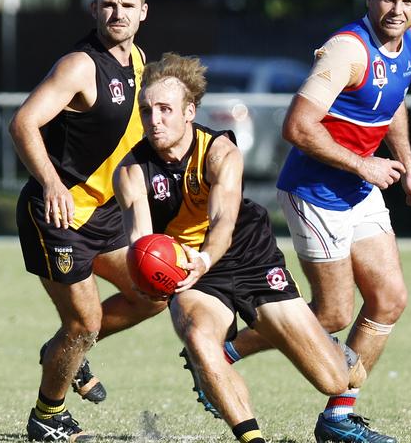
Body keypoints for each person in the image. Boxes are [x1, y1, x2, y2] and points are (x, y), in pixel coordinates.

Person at [200, 0, 411, 442]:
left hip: (358, 189)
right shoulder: (346, 50)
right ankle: (220, 353)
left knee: (389, 300)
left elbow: (394, 102)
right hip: (314, 193)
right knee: (331, 314)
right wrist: (366, 164)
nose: (397, 8)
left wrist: (407, 169)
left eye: (408, 0)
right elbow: (296, 126)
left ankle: (339, 418)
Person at [113, 53, 366, 443]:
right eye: (147, 111)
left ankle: (306, 338)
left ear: (189, 111)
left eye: (165, 109)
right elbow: (141, 242)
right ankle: (251, 437)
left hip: (247, 255)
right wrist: (149, 278)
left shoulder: (219, 152)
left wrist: (204, 259)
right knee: (199, 337)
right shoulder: (132, 169)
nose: (155, 120)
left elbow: (223, 223)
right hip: (189, 269)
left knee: (336, 378)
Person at [9, 0, 166, 442]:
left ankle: (66, 351)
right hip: (57, 216)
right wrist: (53, 184)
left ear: (142, 12)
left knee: (153, 295)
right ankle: (47, 417)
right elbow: (23, 124)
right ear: (94, 9)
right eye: (107, 4)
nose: (116, 13)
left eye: (126, 5)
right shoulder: (80, 65)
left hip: (103, 213)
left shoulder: (140, 61)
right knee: (83, 321)